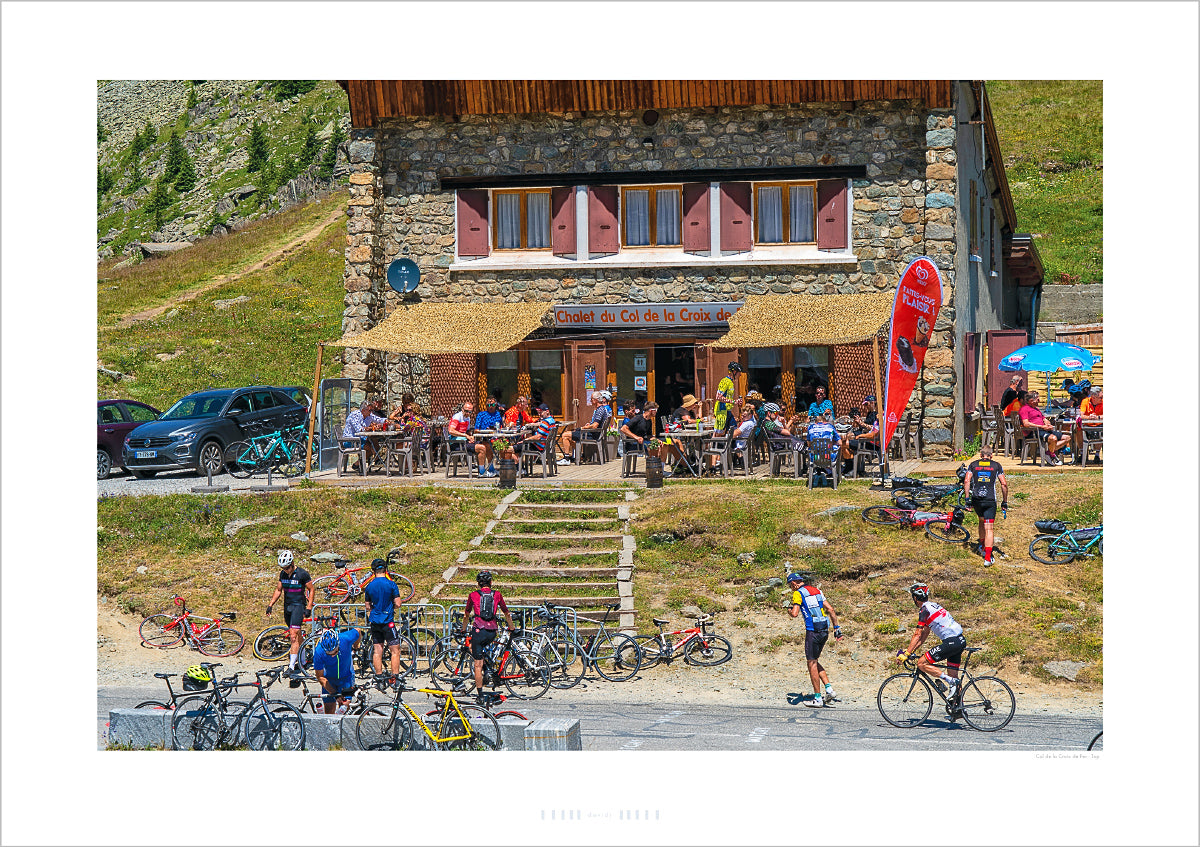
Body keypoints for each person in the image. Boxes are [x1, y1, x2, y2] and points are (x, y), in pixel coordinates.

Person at [895, 582, 966, 703]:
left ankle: (951, 682)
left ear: (915, 598)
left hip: (952, 641)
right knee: (953, 675)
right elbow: (924, 635)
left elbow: (917, 634)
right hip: (959, 640)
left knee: (921, 663)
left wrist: (906, 654)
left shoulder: (924, 610)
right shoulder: (934, 606)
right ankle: (958, 708)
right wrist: (911, 651)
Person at [786, 573, 843, 708]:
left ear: (793, 583)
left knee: (811, 663)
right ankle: (829, 690)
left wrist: (789, 610)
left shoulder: (798, 593)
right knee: (815, 661)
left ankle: (818, 698)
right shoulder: (816, 590)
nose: (791, 588)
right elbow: (830, 609)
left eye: (790, 586)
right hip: (824, 629)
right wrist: (836, 628)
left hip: (813, 630)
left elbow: (794, 613)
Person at [460, 571, 515, 694]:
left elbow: (466, 615)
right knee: (476, 649)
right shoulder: (497, 594)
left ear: (478, 584)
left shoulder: (473, 595)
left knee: (477, 664)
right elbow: (507, 613)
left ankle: (480, 694)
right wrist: (511, 627)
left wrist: (463, 629)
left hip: (478, 631)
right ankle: (487, 669)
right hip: (492, 632)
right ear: (491, 582)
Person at [265, 550, 312, 676]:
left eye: (287, 568)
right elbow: (278, 590)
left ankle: (291, 666)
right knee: (297, 635)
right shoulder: (283, 574)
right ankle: (303, 660)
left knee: (293, 636)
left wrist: (308, 607)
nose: (285, 570)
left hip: (298, 606)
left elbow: (311, 589)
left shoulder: (302, 574)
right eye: (283, 568)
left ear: (292, 564)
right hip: (287, 607)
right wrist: (270, 605)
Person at [963, 445, 1009, 566]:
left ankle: (982, 546)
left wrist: (967, 499)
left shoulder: (973, 465)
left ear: (980, 455)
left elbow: (967, 480)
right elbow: (1004, 484)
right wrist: (1004, 501)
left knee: (981, 521)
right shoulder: (996, 465)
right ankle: (988, 558)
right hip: (990, 499)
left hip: (977, 499)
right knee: (989, 528)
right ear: (991, 456)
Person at [363, 558, 404, 679]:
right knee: (395, 651)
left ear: (373, 571)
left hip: (375, 621)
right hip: (388, 621)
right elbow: (398, 603)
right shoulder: (391, 584)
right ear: (385, 569)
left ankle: (379, 676)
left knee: (377, 651)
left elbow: (367, 606)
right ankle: (394, 677)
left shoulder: (369, 586)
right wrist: (391, 607)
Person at [312, 626, 363, 714]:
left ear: (338, 644)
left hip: (346, 677)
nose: (332, 655)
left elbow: (358, 631)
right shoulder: (318, 651)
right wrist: (334, 693)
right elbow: (320, 677)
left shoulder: (345, 639)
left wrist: (355, 647)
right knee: (329, 712)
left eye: (335, 652)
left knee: (344, 708)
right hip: (329, 679)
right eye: (329, 654)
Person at [560, 390, 612, 464]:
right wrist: (589, 424)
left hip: (593, 435)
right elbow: (595, 424)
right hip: (595, 433)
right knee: (571, 436)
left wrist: (584, 428)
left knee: (565, 435)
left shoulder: (600, 410)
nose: (590, 401)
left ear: (596, 400)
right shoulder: (602, 409)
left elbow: (595, 426)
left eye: (591, 399)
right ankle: (577, 456)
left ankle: (566, 459)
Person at [1019, 391, 1066, 465]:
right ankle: (1051, 454)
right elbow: (1026, 424)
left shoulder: (1036, 409)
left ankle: (1049, 453)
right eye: (1038, 399)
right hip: (1034, 432)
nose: (1039, 401)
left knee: (1067, 438)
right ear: (1031, 401)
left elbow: (1044, 419)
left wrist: (1048, 424)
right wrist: (1041, 426)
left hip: (1043, 430)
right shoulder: (1024, 409)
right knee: (1053, 438)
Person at [450, 401, 495, 478]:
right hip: (456, 443)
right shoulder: (457, 417)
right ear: (462, 409)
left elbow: (467, 431)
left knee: (486, 445)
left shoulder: (467, 418)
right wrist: (465, 435)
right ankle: (482, 472)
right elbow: (451, 431)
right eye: (466, 411)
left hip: (464, 442)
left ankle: (491, 469)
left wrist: (471, 436)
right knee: (481, 448)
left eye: (470, 412)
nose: (468, 413)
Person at [839, 395, 880, 475]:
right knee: (844, 442)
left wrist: (860, 435)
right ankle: (851, 466)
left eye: (866, 404)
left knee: (843, 443)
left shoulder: (878, 417)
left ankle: (852, 467)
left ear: (872, 403)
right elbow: (868, 428)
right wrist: (859, 423)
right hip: (865, 439)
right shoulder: (871, 414)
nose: (865, 407)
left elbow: (873, 432)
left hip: (870, 442)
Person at [342, 400, 389, 467]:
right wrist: (372, 428)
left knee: (374, 441)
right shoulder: (354, 415)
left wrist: (386, 420)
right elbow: (359, 429)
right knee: (371, 447)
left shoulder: (369, 415)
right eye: (370, 410)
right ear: (363, 410)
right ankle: (377, 460)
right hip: (350, 440)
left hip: (360, 440)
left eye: (372, 410)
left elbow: (378, 419)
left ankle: (358, 464)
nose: (371, 412)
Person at [805, 409, 841, 480]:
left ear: (815, 422)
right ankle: (835, 472)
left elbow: (809, 444)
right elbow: (840, 442)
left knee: (812, 449)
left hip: (815, 458)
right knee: (835, 447)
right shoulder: (830, 427)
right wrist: (832, 443)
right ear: (825, 421)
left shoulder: (810, 428)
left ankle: (819, 471)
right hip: (829, 457)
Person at [474, 398, 505, 475]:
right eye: (488, 405)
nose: (490, 407)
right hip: (484, 438)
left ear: (496, 405)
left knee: (504, 447)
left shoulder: (498, 414)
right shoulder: (481, 415)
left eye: (493, 405)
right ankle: (489, 469)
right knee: (488, 445)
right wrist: (485, 430)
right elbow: (476, 430)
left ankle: (504, 468)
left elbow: (502, 427)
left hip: (496, 437)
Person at [1073, 386, 1103, 463]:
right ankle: (1082, 453)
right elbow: (1081, 415)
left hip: (1099, 425)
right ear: (1094, 397)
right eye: (1100, 397)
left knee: (1101, 430)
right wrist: (1089, 417)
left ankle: (1097, 454)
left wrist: (1098, 417)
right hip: (1087, 425)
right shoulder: (1085, 401)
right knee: (1078, 429)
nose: (1102, 399)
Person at [714, 361, 743, 433]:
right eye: (739, 373)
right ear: (734, 372)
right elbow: (718, 397)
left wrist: (736, 402)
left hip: (728, 411)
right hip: (722, 411)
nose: (740, 375)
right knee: (719, 434)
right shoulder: (725, 381)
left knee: (734, 431)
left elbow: (728, 397)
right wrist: (733, 401)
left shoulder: (731, 382)